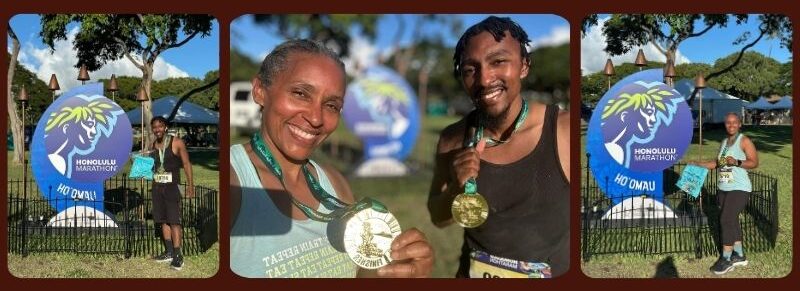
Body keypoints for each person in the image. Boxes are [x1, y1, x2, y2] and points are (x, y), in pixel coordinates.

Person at [230, 39, 433, 278]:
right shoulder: (233, 182)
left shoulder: (335, 183)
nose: (316, 118)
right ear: (260, 91)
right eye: (300, 93)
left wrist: (410, 272)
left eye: (331, 105)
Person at [427, 16, 570, 278]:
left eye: (498, 62)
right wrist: (455, 190)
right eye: (470, 69)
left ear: (524, 66)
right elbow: (438, 216)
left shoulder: (562, 131)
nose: (484, 79)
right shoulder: (453, 139)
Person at [690, 112, 758, 275]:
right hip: (723, 187)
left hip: (739, 188)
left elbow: (754, 162)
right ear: (725, 124)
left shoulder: (744, 141)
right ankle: (740, 255)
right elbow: (717, 163)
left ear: (740, 124)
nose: (731, 125)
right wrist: (699, 164)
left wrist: (737, 162)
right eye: (728, 122)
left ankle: (726, 259)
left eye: (734, 122)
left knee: (726, 219)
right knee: (731, 220)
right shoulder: (724, 143)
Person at [150, 116, 195, 271]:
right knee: (163, 220)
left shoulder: (177, 142)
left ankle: (178, 256)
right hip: (157, 187)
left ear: (166, 127)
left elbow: (187, 163)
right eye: (154, 127)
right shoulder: (153, 145)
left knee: (174, 221)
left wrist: (190, 185)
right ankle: (169, 251)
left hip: (171, 187)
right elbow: (152, 167)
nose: (157, 129)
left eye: (160, 126)